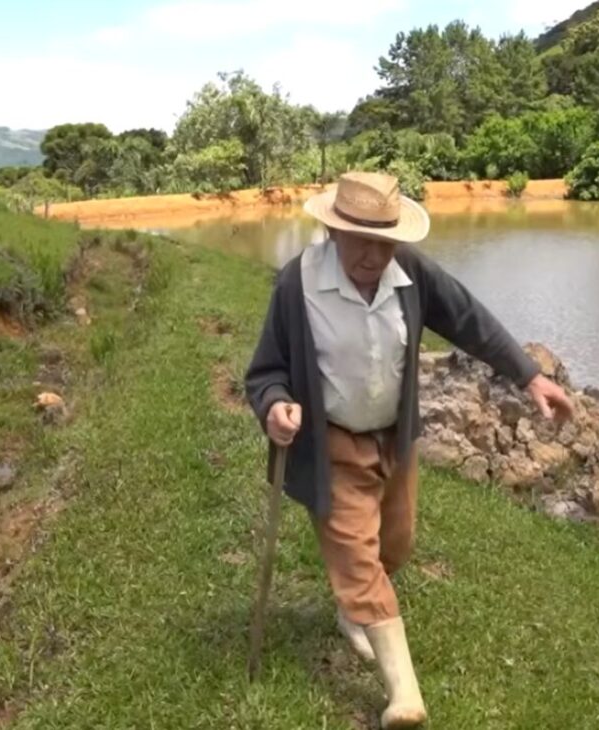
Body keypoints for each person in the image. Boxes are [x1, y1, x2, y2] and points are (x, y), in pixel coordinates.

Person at [245, 171, 573, 728]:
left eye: (386, 239)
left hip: (395, 440)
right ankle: (405, 695)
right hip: (332, 443)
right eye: (362, 240)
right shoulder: (295, 284)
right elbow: (267, 371)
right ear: (333, 231)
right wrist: (276, 405)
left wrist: (530, 377)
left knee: (395, 545)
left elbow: (469, 319)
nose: (375, 255)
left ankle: (356, 611)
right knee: (354, 551)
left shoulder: (411, 274)